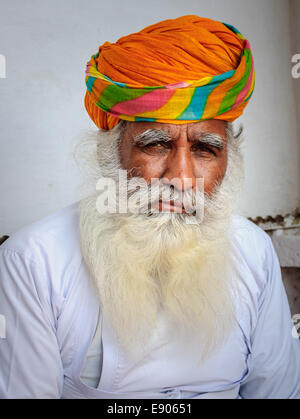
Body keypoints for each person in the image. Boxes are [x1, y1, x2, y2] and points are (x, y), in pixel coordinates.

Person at [0, 15, 299, 399]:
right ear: (110, 151)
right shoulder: (33, 262)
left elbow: (279, 392)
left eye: (205, 149)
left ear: (229, 161)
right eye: (156, 144)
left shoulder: (252, 250)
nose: (180, 177)